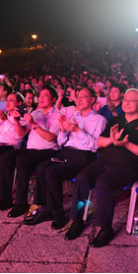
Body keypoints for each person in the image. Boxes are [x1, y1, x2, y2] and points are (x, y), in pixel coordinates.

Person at [64, 89, 138, 248]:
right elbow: (99, 142)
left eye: (132, 100)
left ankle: (105, 228)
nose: (127, 103)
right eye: (125, 99)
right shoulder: (116, 120)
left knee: (103, 183)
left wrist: (126, 144)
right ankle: (78, 220)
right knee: (82, 177)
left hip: (128, 167)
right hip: (105, 161)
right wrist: (112, 140)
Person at [24, 87, 107, 229]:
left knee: (51, 171)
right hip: (66, 153)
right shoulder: (75, 117)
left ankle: (58, 213)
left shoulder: (99, 120)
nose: (79, 100)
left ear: (92, 100)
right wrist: (63, 130)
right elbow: (62, 142)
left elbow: (94, 146)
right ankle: (45, 209)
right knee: (41, 167)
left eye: (83, 97)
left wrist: (76, 130)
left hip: (84, 157)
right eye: (78, 97)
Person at [0, 86, 62, 218]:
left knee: (22, 160)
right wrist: (15, 120)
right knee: (6, 157)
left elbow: (51, 137)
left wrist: (34, 124)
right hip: (31, 150)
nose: (41, 98)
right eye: (40, 95)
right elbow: (22, 132)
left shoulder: (58, 115)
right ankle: (4, 198)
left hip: (47, 151)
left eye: (45, 95)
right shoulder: (35, 113)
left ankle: (21, 203)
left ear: (54, 99)